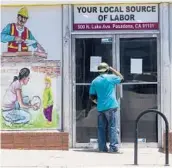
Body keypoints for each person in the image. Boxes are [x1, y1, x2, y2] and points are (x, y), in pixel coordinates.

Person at [89, 62, 124, 153]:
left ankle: (102, 148)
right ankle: (113, 148)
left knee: (101, 128)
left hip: (101, 107)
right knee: (112, 127)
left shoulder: (95, 81)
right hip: (111, 106)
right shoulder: (111, 77)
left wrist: (98, 102)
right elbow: (121, 78)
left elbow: (92, 97)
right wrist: (112, 69)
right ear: (107, 70)